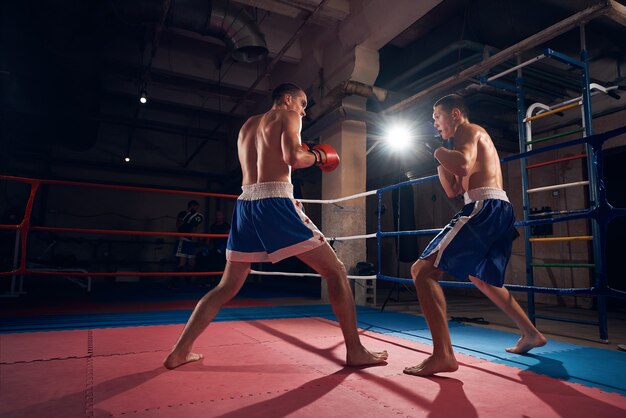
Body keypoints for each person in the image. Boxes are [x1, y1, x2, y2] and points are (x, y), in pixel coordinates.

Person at [164, 83, 388, 369]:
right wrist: (318, 156)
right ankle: (355, 351)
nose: (304, 111)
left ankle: (180, 350)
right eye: (302, 104)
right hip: (276, 202)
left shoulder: (247, 125)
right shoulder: (287, 115)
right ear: (287, 99)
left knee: (226, 287)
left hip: (245, 204)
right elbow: (293, 157)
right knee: (336, 271)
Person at [404, 94, 546, 377]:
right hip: (496, 208)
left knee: (422, 271)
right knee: (482, 278)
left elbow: (465, 166)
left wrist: (437, 150)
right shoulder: (456, 145)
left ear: (455, 113)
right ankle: (531, 334)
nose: (434, 123)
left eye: (437, 117)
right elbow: (453, 190)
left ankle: (443, 354)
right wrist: (437, 157)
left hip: (485, 206)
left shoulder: (469, 129)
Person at [175, 200, 204, 273]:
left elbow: (195, 228)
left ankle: (188, 282)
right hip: (183, 239)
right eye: (196, 208)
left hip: (191, 240)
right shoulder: (183, 214)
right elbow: (178, 226)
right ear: (191, 206)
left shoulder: (196, 216)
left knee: (192, 263)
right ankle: (176, 281)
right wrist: (186, 217)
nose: (196, 210)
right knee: (182, 263)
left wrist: (199, 237)